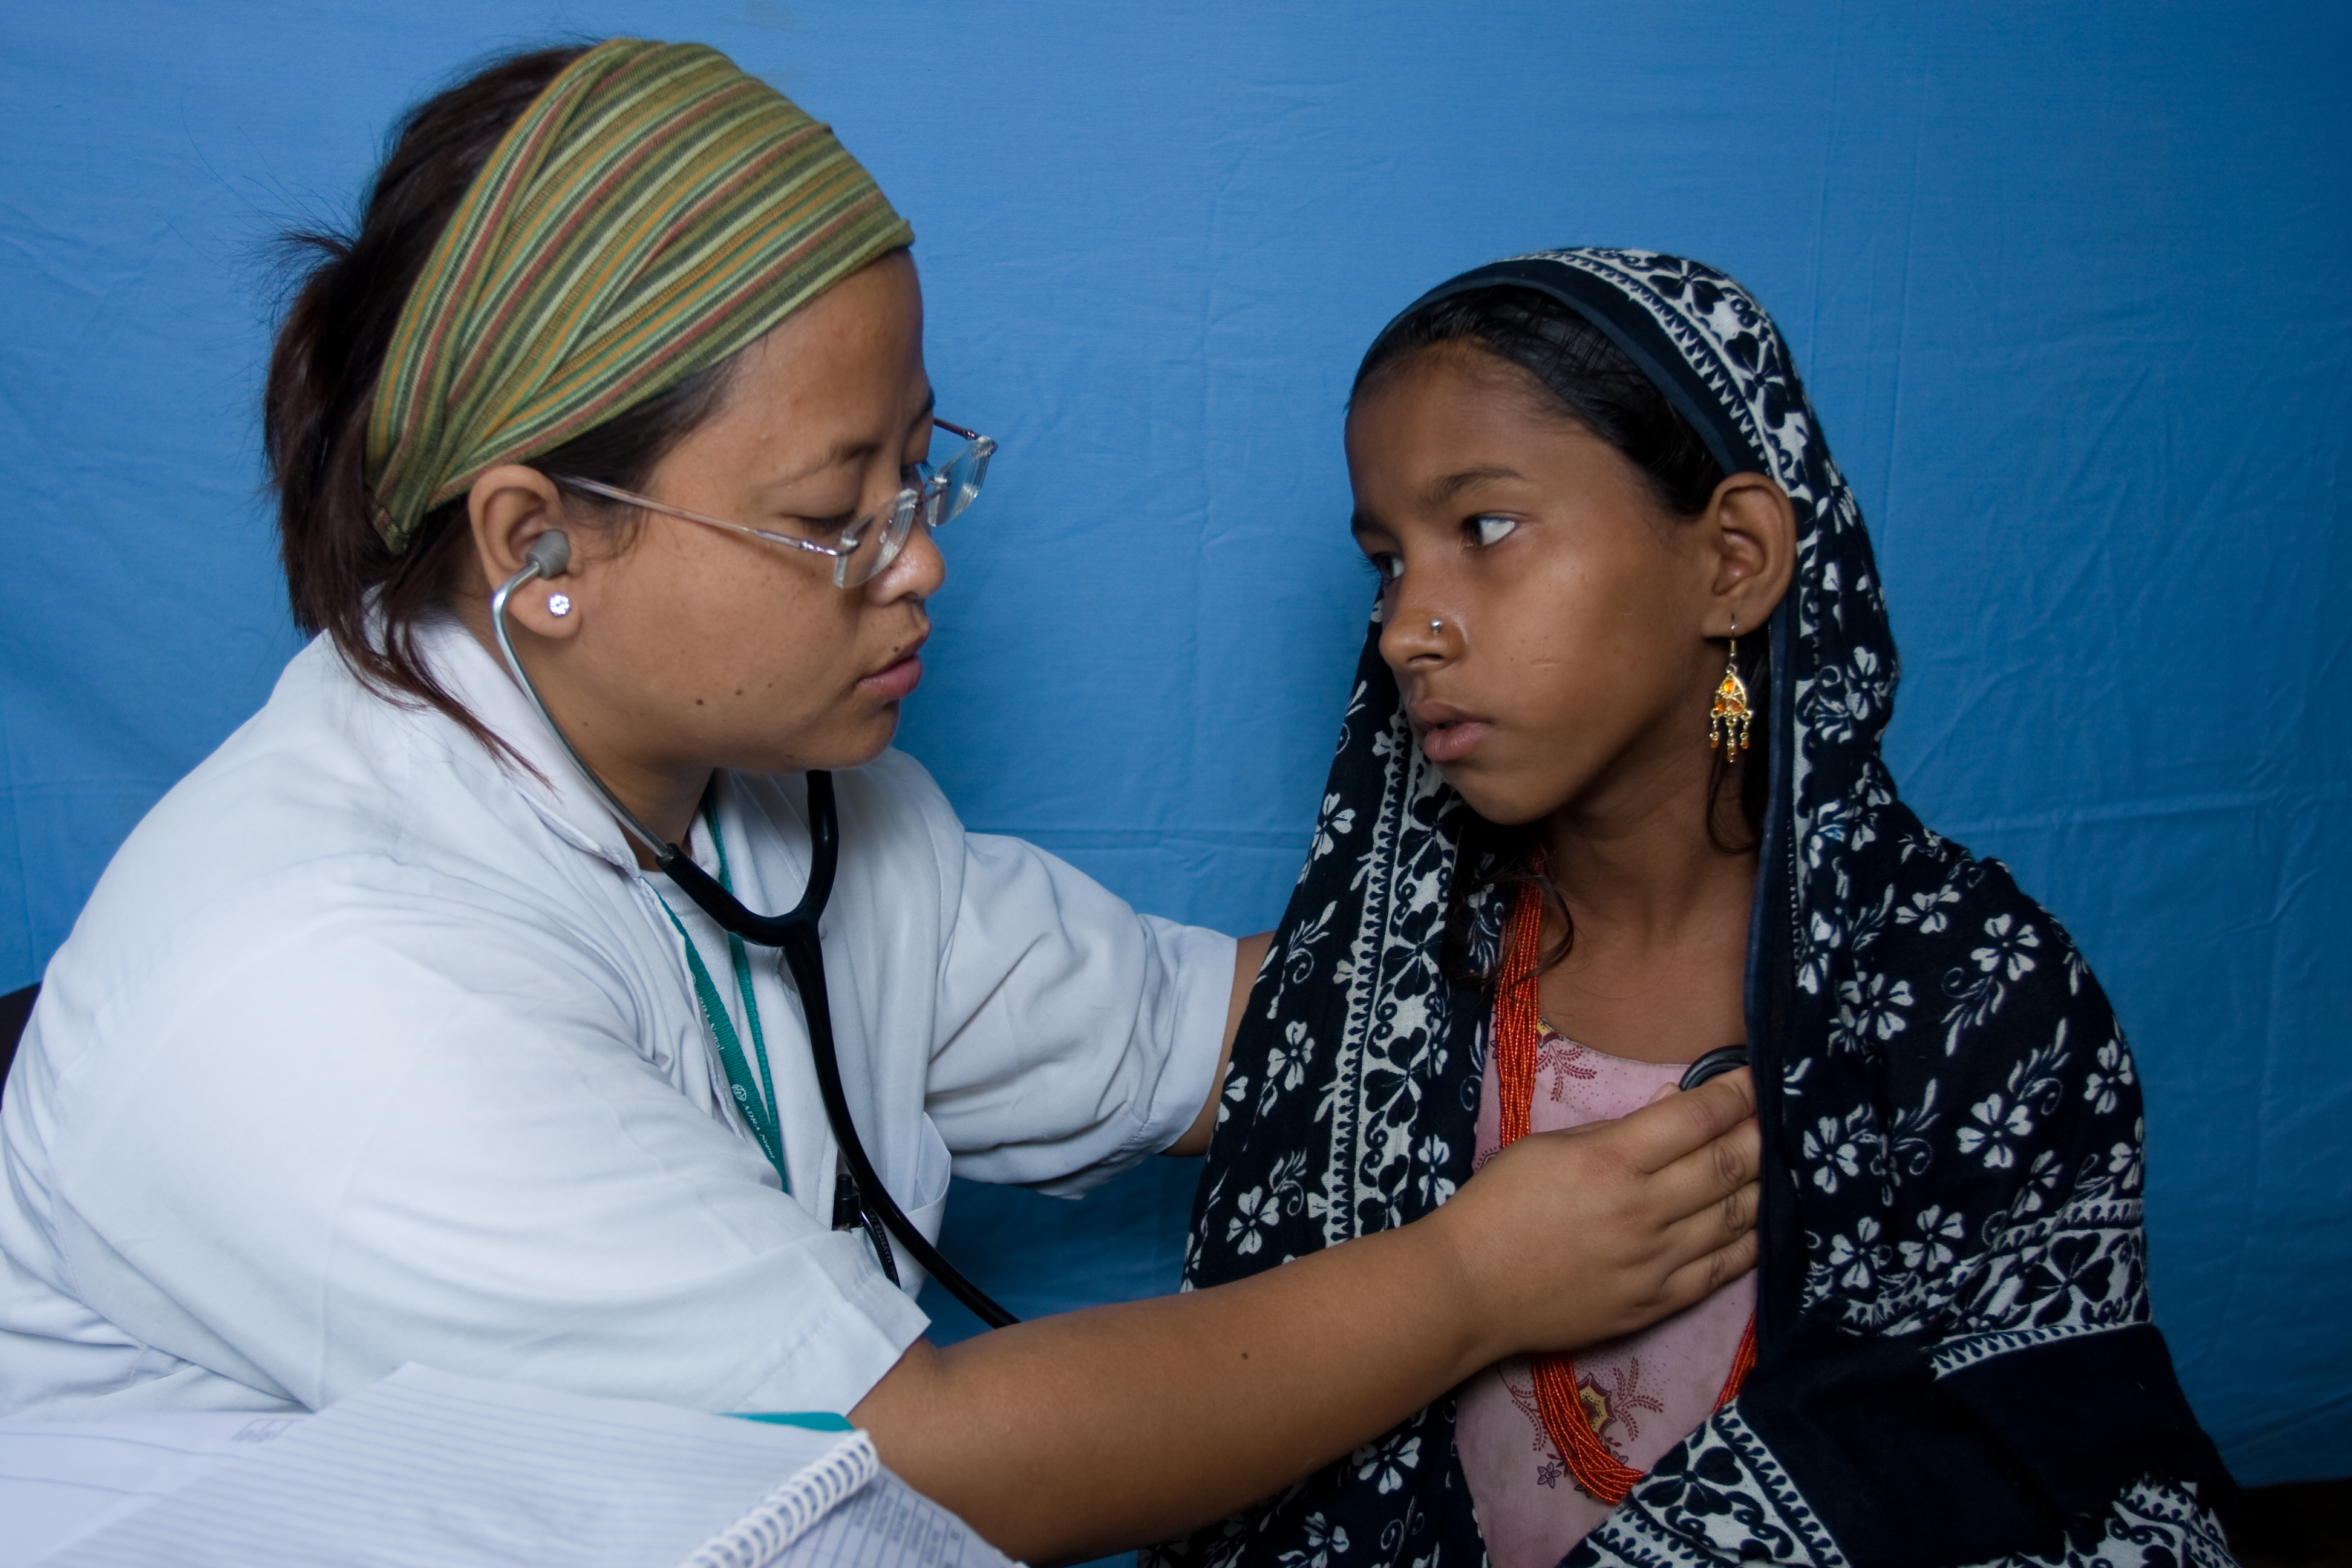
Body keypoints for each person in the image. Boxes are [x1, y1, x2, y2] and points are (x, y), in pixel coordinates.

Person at [0, 51, 1769, 1564]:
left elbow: (1226, 1030)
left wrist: (1636, 920)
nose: (917, 559)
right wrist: (1478, 1282)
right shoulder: (329, 994)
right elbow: (909, 1467)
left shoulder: (792, 808)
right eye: (833, 511)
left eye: (918, 467)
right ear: (537, 545)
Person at [1157, 250, 2234, 1568]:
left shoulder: (1981, 1005)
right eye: (1388, 562)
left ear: (1733, 561)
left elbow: (2061, 1451)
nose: (1404, 630)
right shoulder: (1388, 977)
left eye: (1483, 531)